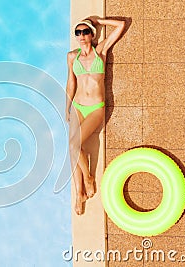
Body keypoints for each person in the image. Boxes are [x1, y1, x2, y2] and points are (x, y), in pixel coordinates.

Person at [66, 17, 125, 215]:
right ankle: (79, 194)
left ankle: (89, 178)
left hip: (95, 108)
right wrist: (67, 107)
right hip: (77, 107)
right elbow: (71, 83)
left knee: (74, 145)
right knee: (72, 148)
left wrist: (100, 20)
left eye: (85, 32)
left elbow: (121, 26)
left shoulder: (101, 51)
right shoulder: (72, 57)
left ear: (92, 35)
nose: (81, 36)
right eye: (78, 33)